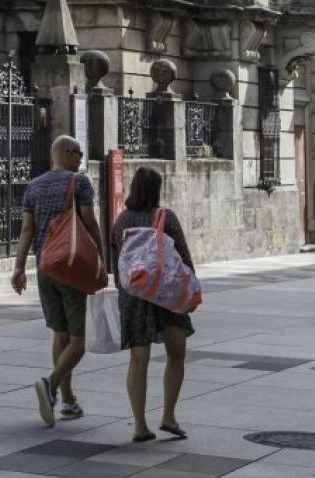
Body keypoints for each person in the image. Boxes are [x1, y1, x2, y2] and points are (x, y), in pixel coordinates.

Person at [12, 134, 104, 427]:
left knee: (59, 333)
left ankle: (68, 401)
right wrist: (102, 256)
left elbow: (27, 229)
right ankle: (51, 385)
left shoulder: (33, 186)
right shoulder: (79, 182)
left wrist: (18, 268)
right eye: (78, 152)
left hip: (44, 268)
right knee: (78, 339)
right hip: (71, 266)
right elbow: (89, 221)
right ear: (65, 152)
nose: (80, 158)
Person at [110, 167, 194, 443]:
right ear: (156, 190)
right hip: (166, 294)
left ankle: (139, 425)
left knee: (138, 359)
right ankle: (169, 416)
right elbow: (184, 258)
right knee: (176, 354)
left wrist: (127, 291)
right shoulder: (164, 216)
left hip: (134, 295)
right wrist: (190, 294)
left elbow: (117, 265)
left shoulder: (121, 220)